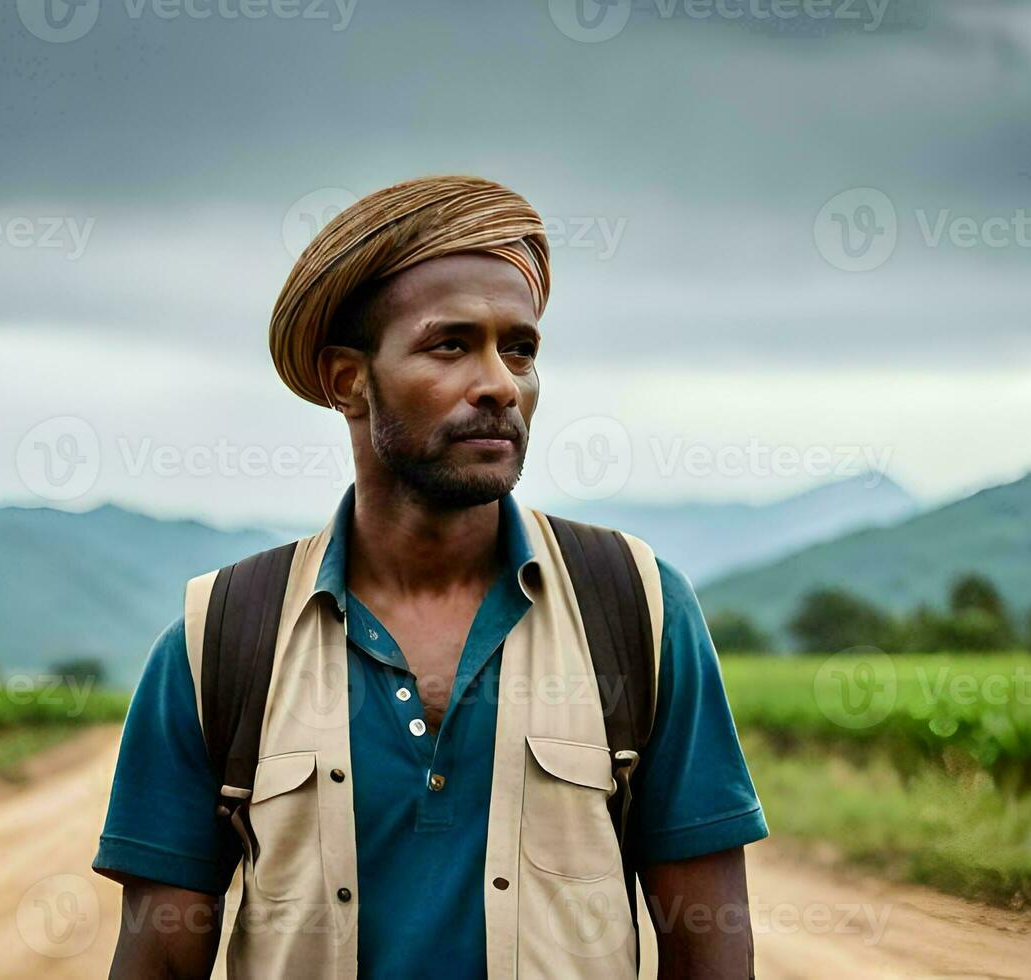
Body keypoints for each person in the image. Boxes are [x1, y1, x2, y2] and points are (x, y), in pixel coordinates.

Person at [93, 175, 768, 978]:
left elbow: (709, 942)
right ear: (348, 380)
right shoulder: (223, 637)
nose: (500, 384)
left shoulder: (635, 606)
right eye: (451, 345)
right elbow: (158, 958)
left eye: (519, 348)